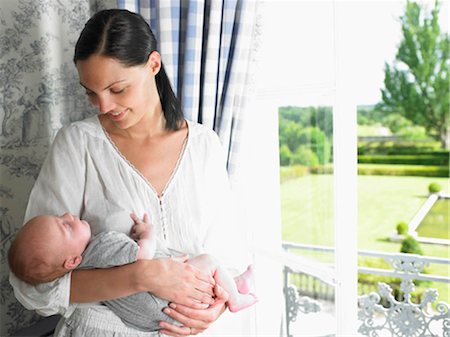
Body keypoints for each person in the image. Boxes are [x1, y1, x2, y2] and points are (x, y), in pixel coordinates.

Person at [9, 8, 250, 337]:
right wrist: (140, 277)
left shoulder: (205, 145)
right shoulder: (78, 144)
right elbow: (33, 284)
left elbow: (229, 258)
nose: (104, 106)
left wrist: (215, 310)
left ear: (153, 65)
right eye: (91, 93)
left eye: (117, 89)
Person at [8, 212, 257, 332]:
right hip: (168, 304)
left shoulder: (86, 270)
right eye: (65, 225)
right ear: (72, 260)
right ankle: (235, 295)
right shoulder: (102, 244)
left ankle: (229, 289)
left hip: (158, 321)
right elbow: (143, 259)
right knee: (209, 260)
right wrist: (148, 234)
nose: (68, 214)